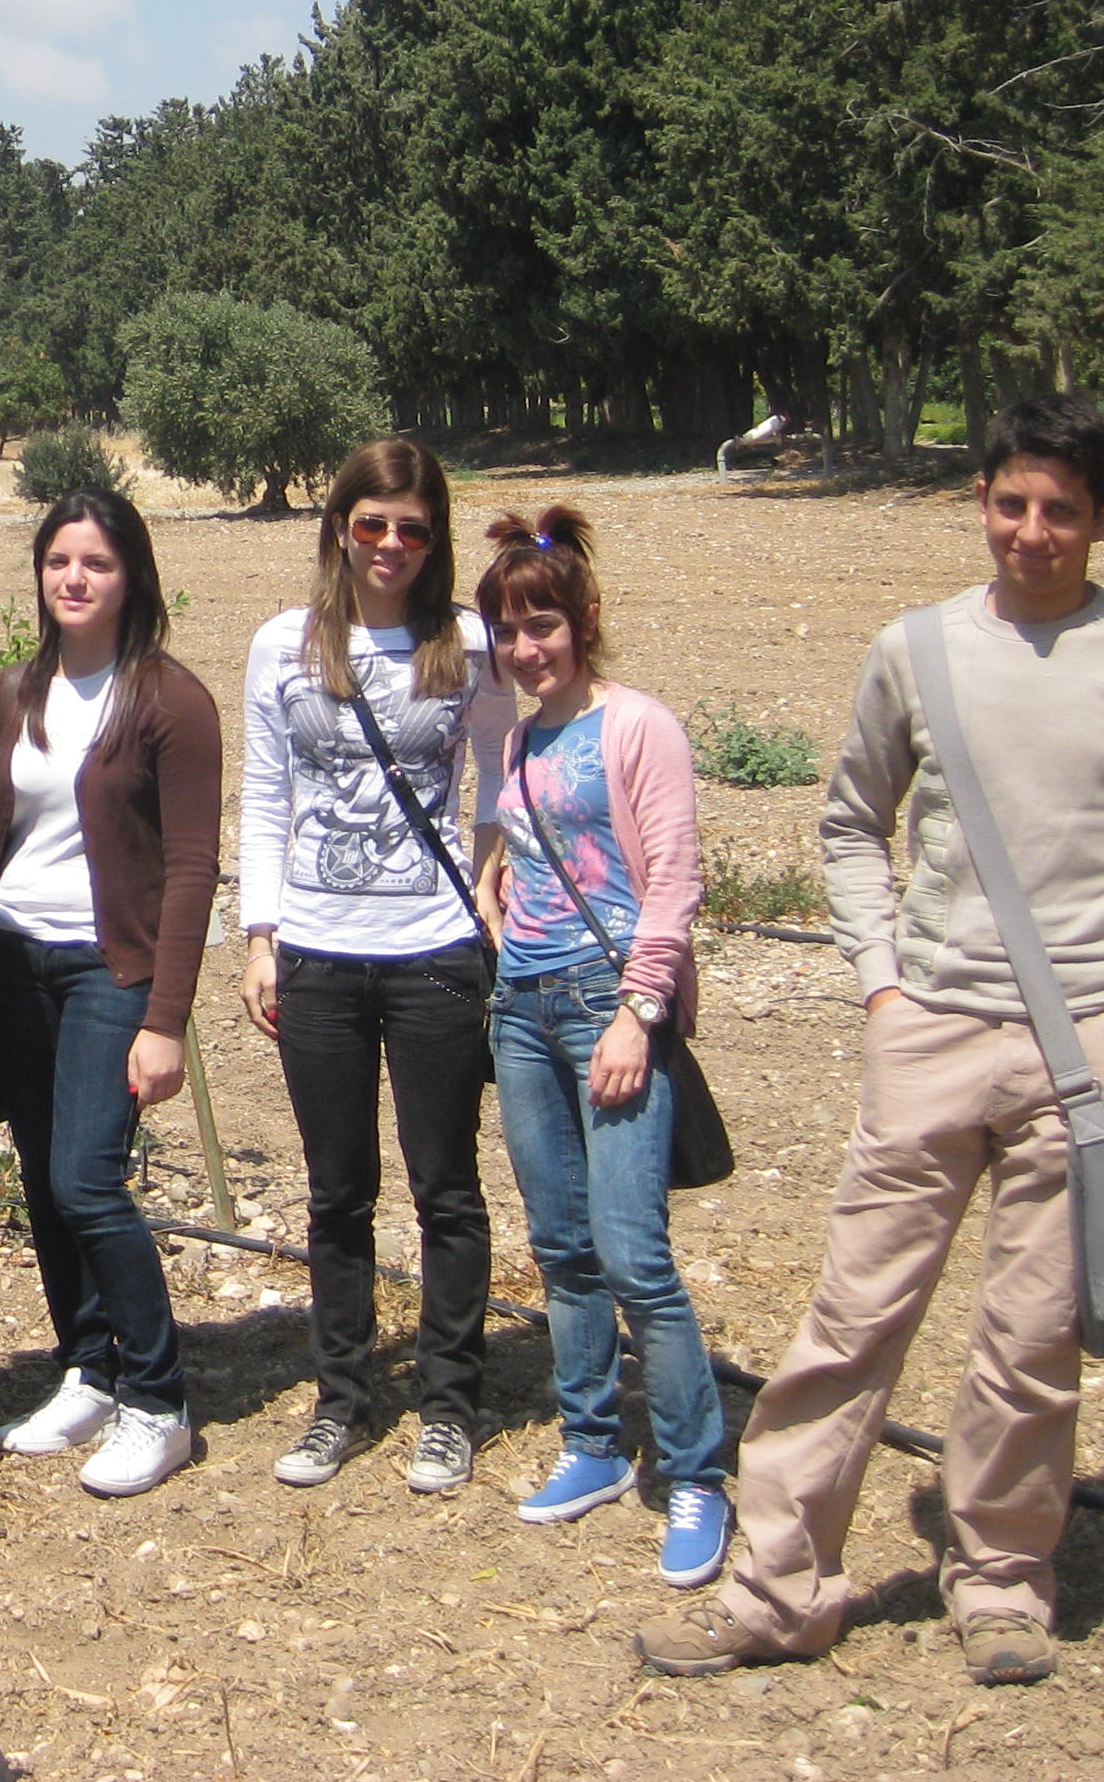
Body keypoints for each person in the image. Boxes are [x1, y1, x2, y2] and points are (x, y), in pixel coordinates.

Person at [640, 395, 1104, 1687]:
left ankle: (1001, 1586)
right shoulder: (917, 650)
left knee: (1031, 1347)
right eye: (1012, 504)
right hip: (929, 1033)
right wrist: (884, 990)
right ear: (981, 503)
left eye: (1062, 509)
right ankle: (779, 1591)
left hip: (1085, 1060)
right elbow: (849, 824)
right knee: (849, 1323)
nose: (1033, 531)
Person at [236, 436, 512, 1496]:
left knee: (447, 1187)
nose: (391, 545)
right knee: (336, 1192)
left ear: (435, 541)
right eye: (372, 524)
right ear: (339, 529)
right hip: (317, 953)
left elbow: (502, 775)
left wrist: (488, 881)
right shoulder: (284, 645)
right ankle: (342, 1400)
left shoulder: (468, 643)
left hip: (432, 953)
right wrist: (260, 937)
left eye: (414, 529)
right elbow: (266, 795)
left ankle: (448, 1405)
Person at [0, 488, 222, 1499]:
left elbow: (191, 866)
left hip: (111, 970)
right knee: (42, 1176)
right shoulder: (15, 693)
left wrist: (166, 1019)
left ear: (131, 575)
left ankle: (159, 1401)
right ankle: (89, 1369)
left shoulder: (170, 702)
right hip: (13, 962)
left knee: (88, 1180)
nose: (75, 578)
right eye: (59, 561)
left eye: (96, 562)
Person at [467, 508, 729, 1587]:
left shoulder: (638, 726)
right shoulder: (522, 739)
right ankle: (591, 1442)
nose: (526, 648)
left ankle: (696, 1471)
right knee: (561, 1247)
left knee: (633, 1253)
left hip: (605, 1006)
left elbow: (673, 881)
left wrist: (637, 1011)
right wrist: (495, 893)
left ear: (584, 619)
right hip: (522, 1005)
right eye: (508, 632)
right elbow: (528, 855)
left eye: (542, 626)